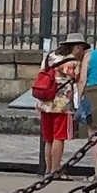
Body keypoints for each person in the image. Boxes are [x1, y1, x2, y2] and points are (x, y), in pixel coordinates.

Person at [35, 37, 85, 175]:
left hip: (45, 102)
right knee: (59, 137)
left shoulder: (49, 57)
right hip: (62, 104)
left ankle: (48, 169)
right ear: (76, 47)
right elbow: (79, 78)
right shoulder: (72, 62)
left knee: (49, 138)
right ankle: (56, 170)